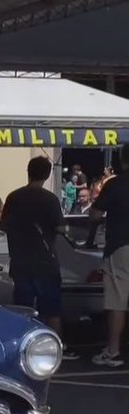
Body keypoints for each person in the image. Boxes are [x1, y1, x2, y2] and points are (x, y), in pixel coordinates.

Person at [1, 156, 78, 358]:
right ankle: (57, 347)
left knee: (22, 308)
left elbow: (3, 226)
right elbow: (60, 228)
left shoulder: (14, 197)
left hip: (21, 261)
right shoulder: (50, 199)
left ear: (28, 171)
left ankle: (21, 347)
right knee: (52, 309)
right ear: (47, 174)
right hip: (46, 262)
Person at [88, 143, 129, 367]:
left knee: (117, 302)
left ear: (122, 160)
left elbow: (94, 215)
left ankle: (113, 351)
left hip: (120, 246)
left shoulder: (115, 184)